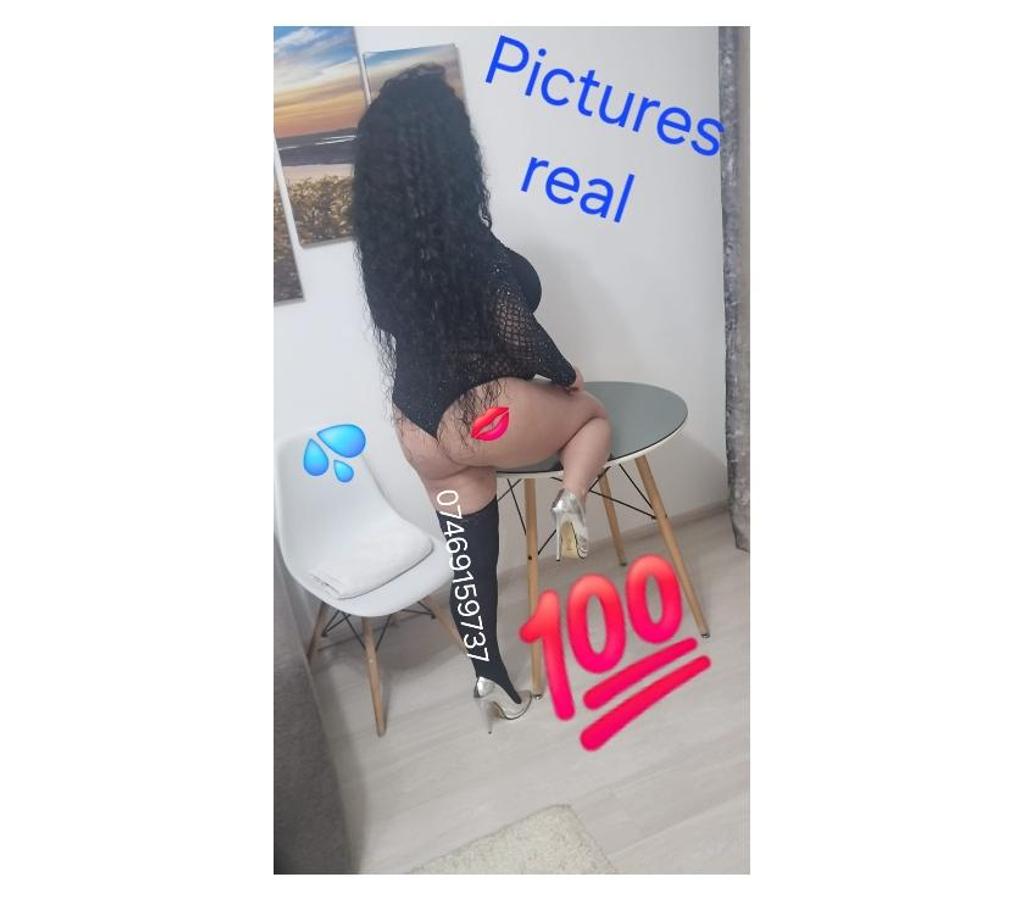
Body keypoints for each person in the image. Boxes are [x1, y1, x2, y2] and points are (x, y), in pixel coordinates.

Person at [352, 64, 612, 732]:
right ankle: (571, 499)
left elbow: (414, 329)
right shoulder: (467, 239)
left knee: (470, 560)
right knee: (591, 415)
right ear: (450, 151)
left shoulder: (385, 254)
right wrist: (563, 375)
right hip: (487, 414)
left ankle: (490, 678)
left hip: (418, 429)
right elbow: (516, 331)